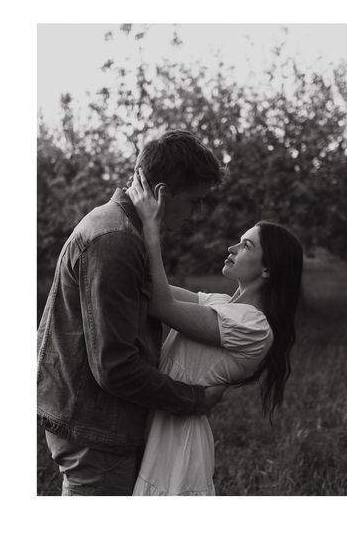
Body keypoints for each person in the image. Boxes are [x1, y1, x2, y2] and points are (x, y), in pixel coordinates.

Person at [37, 130, 225, 496]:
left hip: (97, 418)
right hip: (96, 426)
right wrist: (195, 400)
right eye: (194, 201)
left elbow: (154, 306)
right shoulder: (116, 240)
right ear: (162, 193)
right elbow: (116, 366)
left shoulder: (123, 230)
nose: (197, 214)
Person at [126, 168, 304, 496]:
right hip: (162, 424)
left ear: (267, 269)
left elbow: (161, 305)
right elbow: (150, 288)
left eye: (246, 245)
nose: (232, 246)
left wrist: (152, 228)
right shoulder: (220, 302)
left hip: (179, 445)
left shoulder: (255, 327)